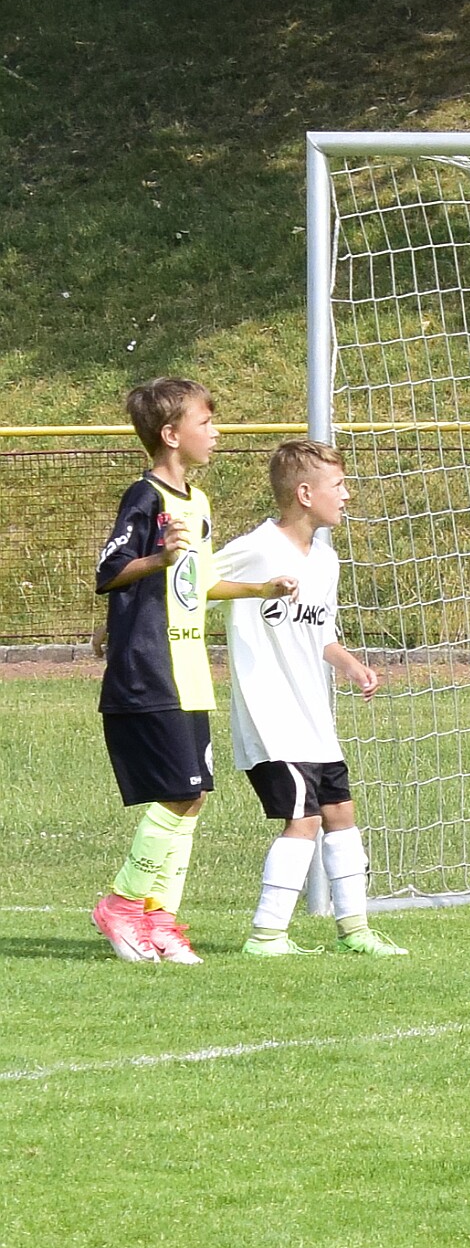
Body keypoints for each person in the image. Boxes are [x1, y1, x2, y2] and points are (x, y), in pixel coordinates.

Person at [90, 377, 294, 965]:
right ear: (171, 434)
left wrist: (259, 588)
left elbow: (198, 583)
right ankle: (122, 904)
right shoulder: (145, 497)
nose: (216, 432)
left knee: (194, 795)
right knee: (179, 793)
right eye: (206, 422)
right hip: (151, 668)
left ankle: (159, 921)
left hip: (189, 670)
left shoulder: (197, 503)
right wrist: (159, 557)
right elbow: (110, 570)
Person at [218, 440, 408, 958]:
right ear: (305, 494)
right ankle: (266, 935)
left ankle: (355, 931)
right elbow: (189, 581)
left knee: (341, 813)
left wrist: (351, 666)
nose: (347, 496)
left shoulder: (325, 559)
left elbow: (321, 634)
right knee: (303, 819)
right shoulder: (258, 548)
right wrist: (121, 621)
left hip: (314, 718)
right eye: (338, 485)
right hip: (271, 716)